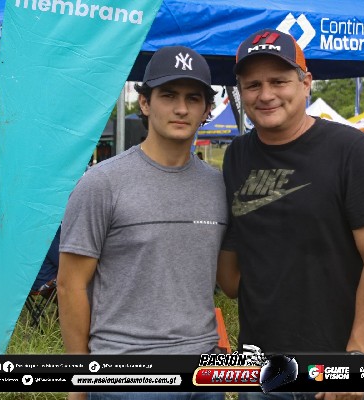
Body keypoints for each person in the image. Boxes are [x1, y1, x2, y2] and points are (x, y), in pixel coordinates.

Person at [218, 29, 364, 400]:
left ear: (306, 83)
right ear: (240, 92)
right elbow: (233, 278)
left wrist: (358, 357)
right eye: (253, 85)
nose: (265, 94)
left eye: (279, 81)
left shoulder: (353, 151)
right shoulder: (237, 156)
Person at [57, 46, 228, 400]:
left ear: (206, 110)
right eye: (168, 95)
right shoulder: (102, 183)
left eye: (193, 98)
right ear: (145, 103)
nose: (181, 108)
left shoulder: (219, 186)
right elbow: (70, 284)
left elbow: (230, 278)